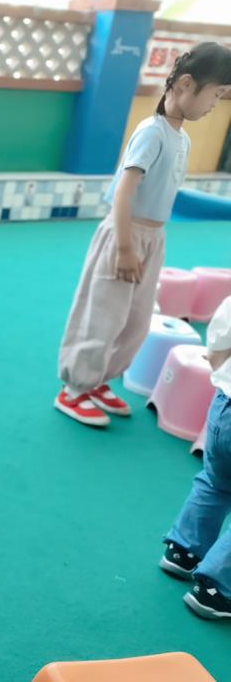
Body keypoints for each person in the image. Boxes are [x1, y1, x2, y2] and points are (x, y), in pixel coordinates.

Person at [55, 42, 231, 427]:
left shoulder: (181, 138)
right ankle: (74, 388)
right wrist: (123, 247)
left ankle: (98, 380)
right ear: (185, 84)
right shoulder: (152, 132)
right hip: (125, 235)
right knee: (102, 314)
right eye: (215, 94)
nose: (215, 105)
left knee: (135, 322)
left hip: (152, 239)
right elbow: (124, 191)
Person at [161, 296, 231, 620]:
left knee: (216, 483)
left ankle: (183, 550)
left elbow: (217, 346)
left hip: (224, 411)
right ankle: (217, 588)